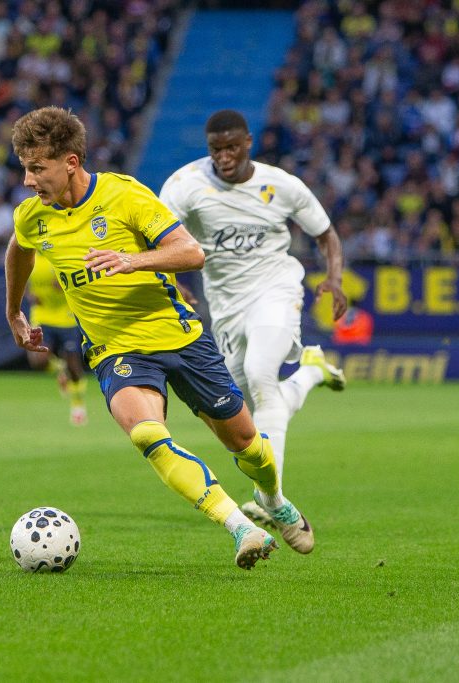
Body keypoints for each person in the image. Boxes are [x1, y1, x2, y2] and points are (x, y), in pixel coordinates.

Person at [4, 106, 313, 569]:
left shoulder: (123, 195)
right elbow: (20, 250)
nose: (28, 181)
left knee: (247, 445)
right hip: (116, 348)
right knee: (147, 433)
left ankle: (272, 499)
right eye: (25, 169)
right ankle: (240, 528)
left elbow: (191, 252)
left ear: (70, 162)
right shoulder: (34, 216)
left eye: (37, 169)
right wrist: (13, 311)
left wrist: (132, 261)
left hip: (180, 336)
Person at [159, 110, 347, 545]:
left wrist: (334, 279)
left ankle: (271, 498)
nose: (223, 157)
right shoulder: (185, 186)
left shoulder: (281, 185)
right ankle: (313, 371)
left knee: (262, 376)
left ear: (248, 143)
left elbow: (326, 234)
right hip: (225, 306)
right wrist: (172, 283)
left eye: (231, 148)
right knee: (253, 404)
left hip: (275, 288)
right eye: (215, 150)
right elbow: (154, 237)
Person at [25, 258, 89, 426]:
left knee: (74, 366)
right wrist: (29, 293)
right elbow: (21, 276)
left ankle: (77, 405)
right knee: (38, 359)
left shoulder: (60, 255)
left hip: (66, 316)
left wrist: (64, 281)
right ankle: (61, 370)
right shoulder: (30, 255)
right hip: (42, 314)